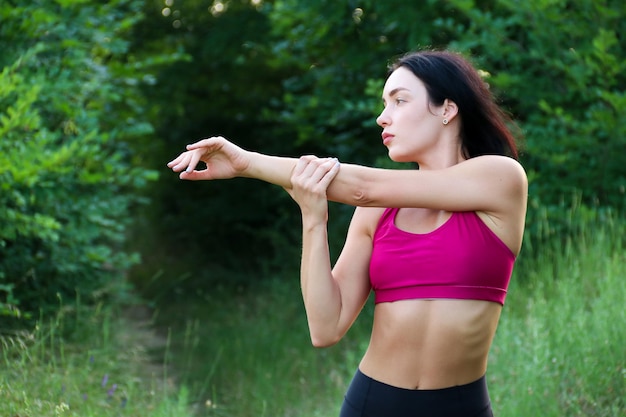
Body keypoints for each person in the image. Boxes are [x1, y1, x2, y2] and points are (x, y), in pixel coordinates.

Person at [167, 49, 528, 417]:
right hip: (372, 403)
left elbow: (362, 187)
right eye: (383, 103)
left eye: (399, 101)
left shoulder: (500, 179)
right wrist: (313, 219)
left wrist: (247, 162)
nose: (382, 118)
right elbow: (325, 327)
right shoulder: (376, 215)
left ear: (447, 109)